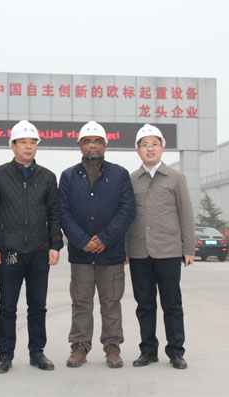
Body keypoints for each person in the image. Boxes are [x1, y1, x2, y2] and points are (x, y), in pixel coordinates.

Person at [0, 120, 63, 374]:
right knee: (7, 306)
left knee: (38, 306)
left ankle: (37, 352)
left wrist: (55, 245)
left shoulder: (47, 177)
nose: (28, 147)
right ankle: (5, 354)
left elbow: (54, 214)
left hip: (39, 252)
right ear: (13, 145)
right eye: (23, 142)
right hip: (10, 252)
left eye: (32, 142)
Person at [59, 121, 136, 368]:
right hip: (81, 254)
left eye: (97, 141)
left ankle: (112, 347)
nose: (92, 145)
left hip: (110, 253)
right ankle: (79, 347)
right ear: (80, 146)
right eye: (87, 141)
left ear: (105, 145)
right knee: (81, 302)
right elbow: (63, 212)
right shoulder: (68, 176)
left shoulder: (120, 175)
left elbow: (127, 210)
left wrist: (104, 238)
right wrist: (82, 241)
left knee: (111, 302)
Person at [125, 123, 195, 370]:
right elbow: (126, 216)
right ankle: (148, 351)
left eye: (155, 144)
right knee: (144, 305)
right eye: (145, 145)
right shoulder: (131, 180)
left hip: (168, 251)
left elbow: (186, 214)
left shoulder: (176, 178)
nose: (150, 149)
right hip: (139, 252)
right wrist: (125, 250)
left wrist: (189, 248)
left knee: (172, 304)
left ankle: (176, 351)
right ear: (138, 150)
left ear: (162, 148)